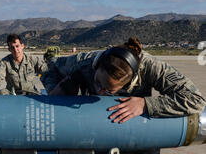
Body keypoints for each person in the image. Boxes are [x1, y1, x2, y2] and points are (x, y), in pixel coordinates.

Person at [41, 37, 206, 122]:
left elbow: (196, 100)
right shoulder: (84, 62)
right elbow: (50, 67)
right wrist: (55, 89)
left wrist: (146, 104)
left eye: (108, 90)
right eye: (98, 82)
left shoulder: (150, 67)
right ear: (97, 65)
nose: (100, 91)